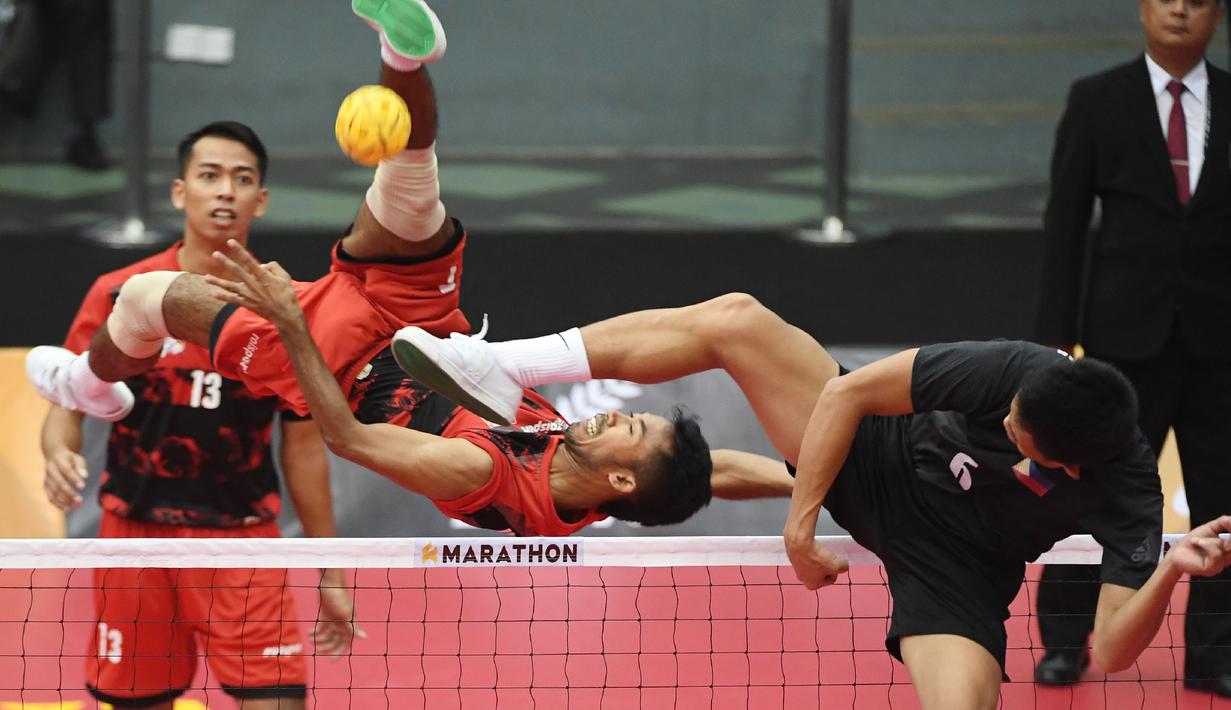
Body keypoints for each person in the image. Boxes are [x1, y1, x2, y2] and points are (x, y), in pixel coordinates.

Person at [25, 0, 792, 538]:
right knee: (411, 194)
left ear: (621, 478)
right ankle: (403, 54)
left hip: (340, 365)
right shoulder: (618, 480)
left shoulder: (479, 474)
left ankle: (90, 386)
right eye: (631, 411)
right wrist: (818, 486)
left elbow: (348, 441)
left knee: (147, 297)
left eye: (626, 424)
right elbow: (710, 470)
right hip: (426, 334)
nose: (612, 414)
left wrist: (291, 325)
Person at [384, 294, 1231, 710]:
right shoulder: (1021, 370)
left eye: (1019, 433)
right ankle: (512, 367)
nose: (1006, 423)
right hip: (882, 455)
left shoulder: (1126, 497)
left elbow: (1114, 653)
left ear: (1073, 464)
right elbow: (850, 392)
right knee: (740, 319)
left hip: (958, 572)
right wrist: (801, 521)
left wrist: (1170, 572)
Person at [40, 120, 356, 708]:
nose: (225, 191)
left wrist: (330, 567)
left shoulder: (285, 308)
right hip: (134, 539)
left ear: (260, 200)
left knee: (280, 702)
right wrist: (58, 449)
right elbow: (69, 396)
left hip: (242, 542)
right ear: (180, 191)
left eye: (242, 179)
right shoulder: (119, 291)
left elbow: (306, 448)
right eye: (209, 176)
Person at [1033, 0, 1231, 695]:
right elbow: (1063, 221)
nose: (1180, 7)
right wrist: (1053, 345)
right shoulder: (1097, 100)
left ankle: (1213, 654)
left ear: (1216, 15)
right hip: (1121, 344)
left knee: (1223, 499)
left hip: (1217, 346)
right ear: (1143, 8)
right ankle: (1062, 642)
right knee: (1086, 488)